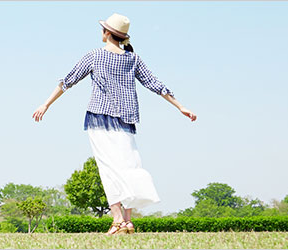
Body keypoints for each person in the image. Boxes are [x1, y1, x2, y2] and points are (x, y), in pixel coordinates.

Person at [31, 13, 197, 235]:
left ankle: (118, 221)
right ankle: (127, 222)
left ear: (107, 33)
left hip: (99, 118)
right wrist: (180, 106)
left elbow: (67, 80)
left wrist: (46, 104)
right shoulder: (133, 59)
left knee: (109, 168)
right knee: (128, 167)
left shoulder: (95, 56)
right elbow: (155, 84)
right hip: (126, 120)